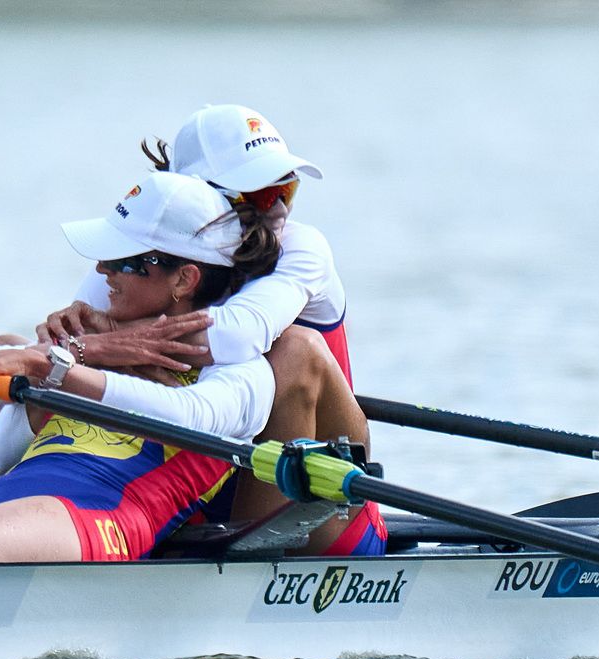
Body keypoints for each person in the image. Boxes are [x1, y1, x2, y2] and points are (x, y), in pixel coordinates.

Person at [0, 172, 285, 564]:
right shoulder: (86, 344)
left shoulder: (243, 373)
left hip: (98, 519)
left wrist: (58, 364)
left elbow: (188, 418)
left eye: (124, 261)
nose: (102, 270)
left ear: (185, 278)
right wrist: (76, 351)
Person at [32, 104, 386, 557]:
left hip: (324, 507)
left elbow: (238, 337)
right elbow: (70, 343)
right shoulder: (143, 250)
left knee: (295, 351)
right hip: (203, 485)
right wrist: (74, 341)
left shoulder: (302, 247)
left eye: (286, 188)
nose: (277, 209)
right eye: (257, 196)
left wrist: (106, 343)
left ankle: (250, 568)